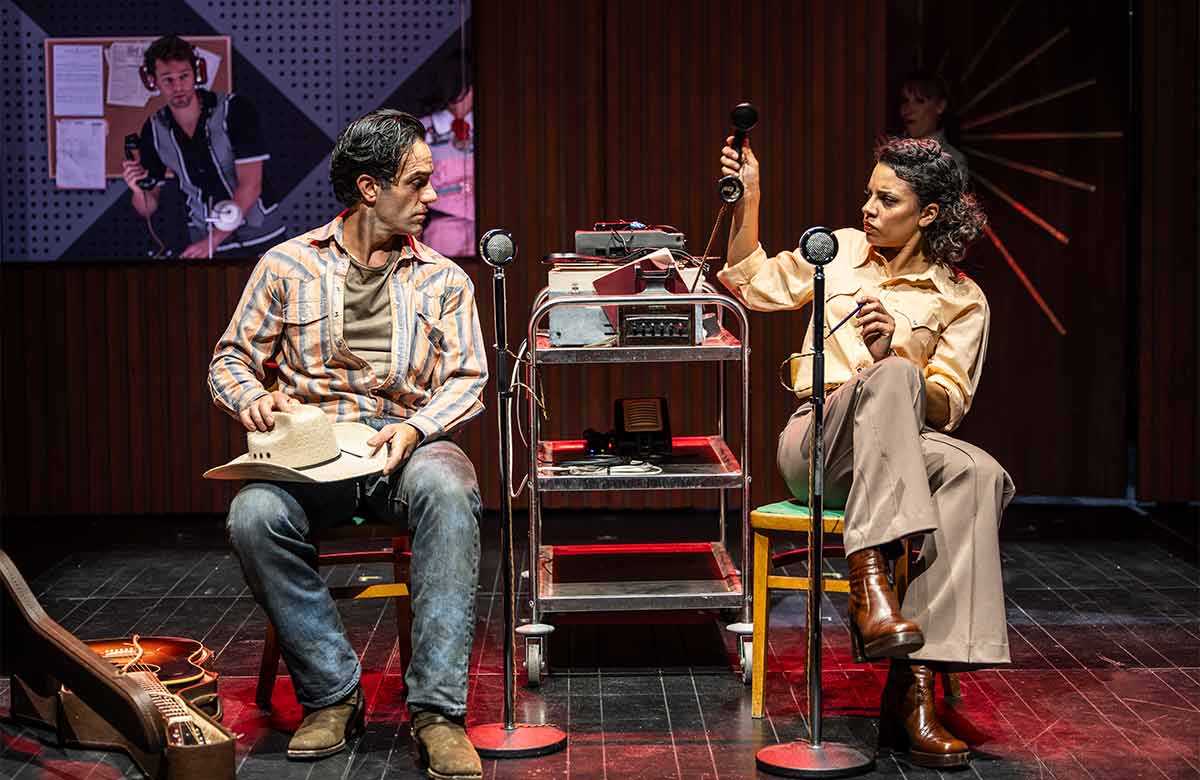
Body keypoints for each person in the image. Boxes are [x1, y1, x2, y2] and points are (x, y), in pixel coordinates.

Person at [717, 134, 1013, 768]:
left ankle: (912, 693)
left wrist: (893, 356)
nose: (869, 209)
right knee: (893, 377)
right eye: (868, 195)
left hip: (905, 446)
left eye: (887, 199)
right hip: (818, 443)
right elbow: (753, 284)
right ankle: (869, 584)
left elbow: (948, 405)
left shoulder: (961, 297)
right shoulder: (841, 253)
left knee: (977, 472)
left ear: (928, 213)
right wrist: (752, 196)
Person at [207, 109, 487, 778]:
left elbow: (469, 379)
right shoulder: (289, 265)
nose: (432, 197)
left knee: (450, 487)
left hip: (407, 445)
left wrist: (416, 427)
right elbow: (230, 361)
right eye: (417, 183)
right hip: (314, 452)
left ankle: (438, 712)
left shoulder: (444, 280)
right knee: (253, 515)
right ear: (369, 188)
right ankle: (332, 693)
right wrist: (257, 398)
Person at [123, 35, 285, 258]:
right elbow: (147, 207)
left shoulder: (235, 110)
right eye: (168, 79)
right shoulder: (153, 130)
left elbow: (251, 185)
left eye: (184, 76)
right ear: (152, 81)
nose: (178, 86)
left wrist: (213, 241)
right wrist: (136, 189)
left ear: (197, 74)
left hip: (261, 234)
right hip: (204, 238)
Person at [899, 69, 968, 178]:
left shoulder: (951, 160)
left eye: (919, 101)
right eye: (905, 101)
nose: (908, 110)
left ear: (940, 106)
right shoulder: (893, 150)